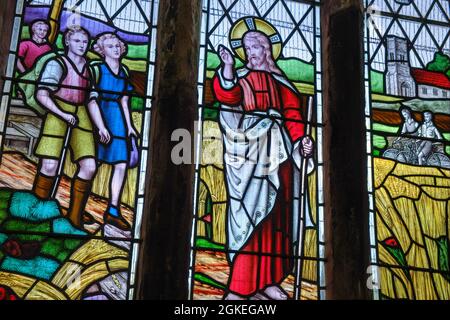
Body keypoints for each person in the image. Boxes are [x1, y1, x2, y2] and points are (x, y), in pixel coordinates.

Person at [212, 22, 314, 300]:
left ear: (267, 49)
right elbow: (227, 96)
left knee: (277, 217)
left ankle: (269, 280)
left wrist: (301, 141)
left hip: (280, 154)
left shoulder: (281, 80)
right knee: (251, 216)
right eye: (246, 48)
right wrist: (229, 67)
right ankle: (239, 288)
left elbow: (293, 114)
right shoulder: (240, 75)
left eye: (255, 46)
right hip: (249, 152)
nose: (250, 52)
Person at [32, 25, 109, 229]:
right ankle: (38, 211)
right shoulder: (56, 63)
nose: (82, 45)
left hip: (81, 113)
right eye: (77, 41)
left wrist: (101, 127)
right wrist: (62, 114)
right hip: (57, 110)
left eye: (84, 42)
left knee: (89, 166)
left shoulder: (90, 69)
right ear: (67, 41)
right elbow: (42, 94)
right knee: (49, 165)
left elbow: (91, 101)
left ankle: (75, 217)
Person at [89, 33, 138, 231]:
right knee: (94, 163)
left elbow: (124, 101)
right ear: (102, 50)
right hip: (100, 116)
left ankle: (113, 209)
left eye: (118, 45)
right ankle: (80, 204)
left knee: (121, 164)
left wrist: (130, 126)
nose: (116, 49)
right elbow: (91, 99)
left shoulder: (124, 70)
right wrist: (100, 126)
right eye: (110, 46)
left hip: (117, 120)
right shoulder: (96, 69)